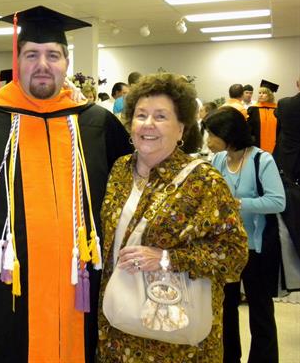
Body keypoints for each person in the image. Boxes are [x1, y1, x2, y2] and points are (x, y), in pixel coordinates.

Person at [0, 5, 132, 363]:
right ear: (17, 61)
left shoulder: (97, 125)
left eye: (53, 55)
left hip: (81, 291)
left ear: (66, 62)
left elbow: (126, 202)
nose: (43, 64)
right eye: (31, 54)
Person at [97, 73, 249, 362]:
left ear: (181, 128)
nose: (148, 124)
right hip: (117, 330)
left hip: (176, 338)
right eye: (141, 115)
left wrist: (167, 258)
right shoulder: (119, 171)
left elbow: (234, 256)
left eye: (161, 116)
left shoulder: (204, 181)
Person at [206, 107, 285, 363]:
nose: (208, 140)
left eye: (212, 134)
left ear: (228, 134)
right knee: (225, 310)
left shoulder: (262, 160)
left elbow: (277, 201)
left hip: (256, 247)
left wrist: (237, 203)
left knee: (260, 311)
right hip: (225, 248)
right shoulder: (217, 160)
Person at [247, 80, 278, 153]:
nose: (260, 95)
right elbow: (249, 129)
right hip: (257, 146)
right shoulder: (253, 109)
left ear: (270, 95)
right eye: (259, 93)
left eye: (264, 93)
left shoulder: (277, 109)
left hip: (275, 147)